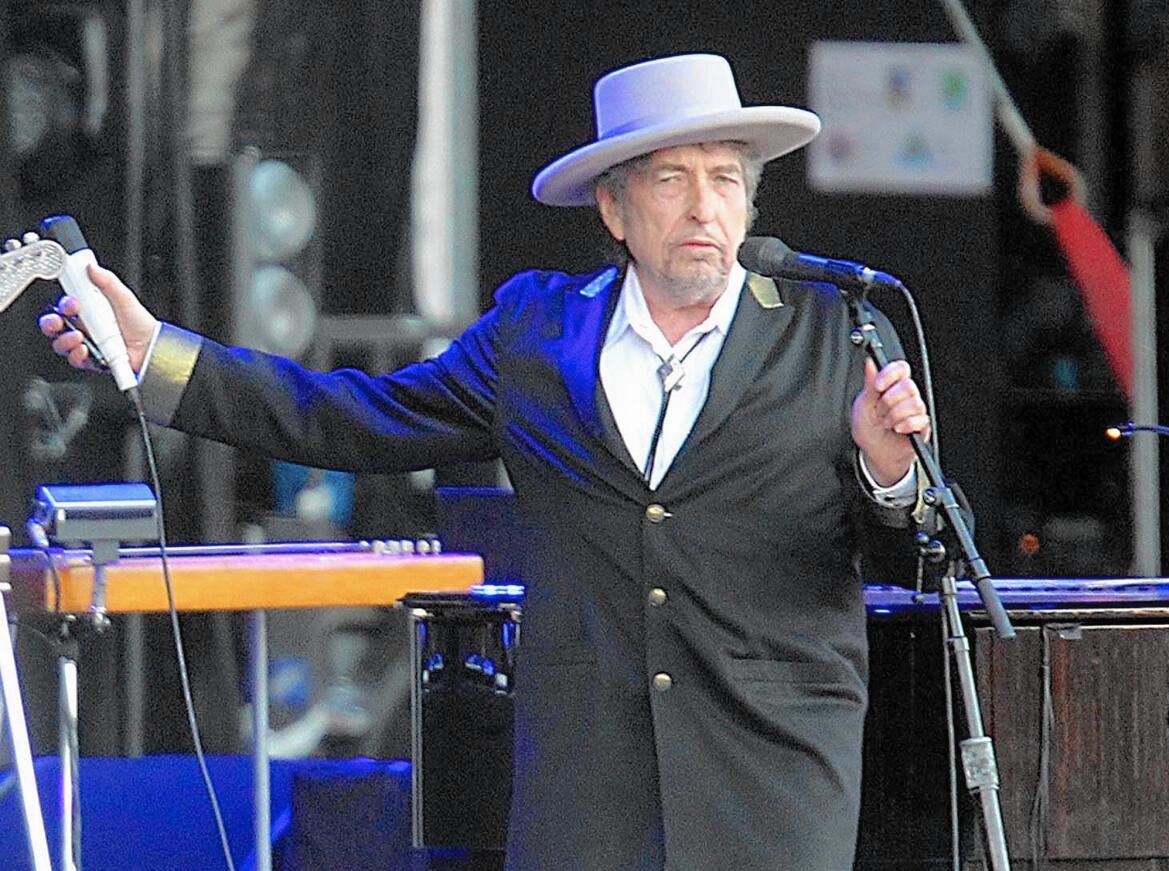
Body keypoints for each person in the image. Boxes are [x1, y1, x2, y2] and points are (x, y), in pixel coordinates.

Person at [42, 53, 929, 871]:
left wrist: (890, 473)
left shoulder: (832, 330)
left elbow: (917, 558)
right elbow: (352, 419)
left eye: (725, 180)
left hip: (772, 785)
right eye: (673, 180)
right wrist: (157, 353)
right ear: (613, 208)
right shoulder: (538, 333)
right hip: (587, 796)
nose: (705, 207)